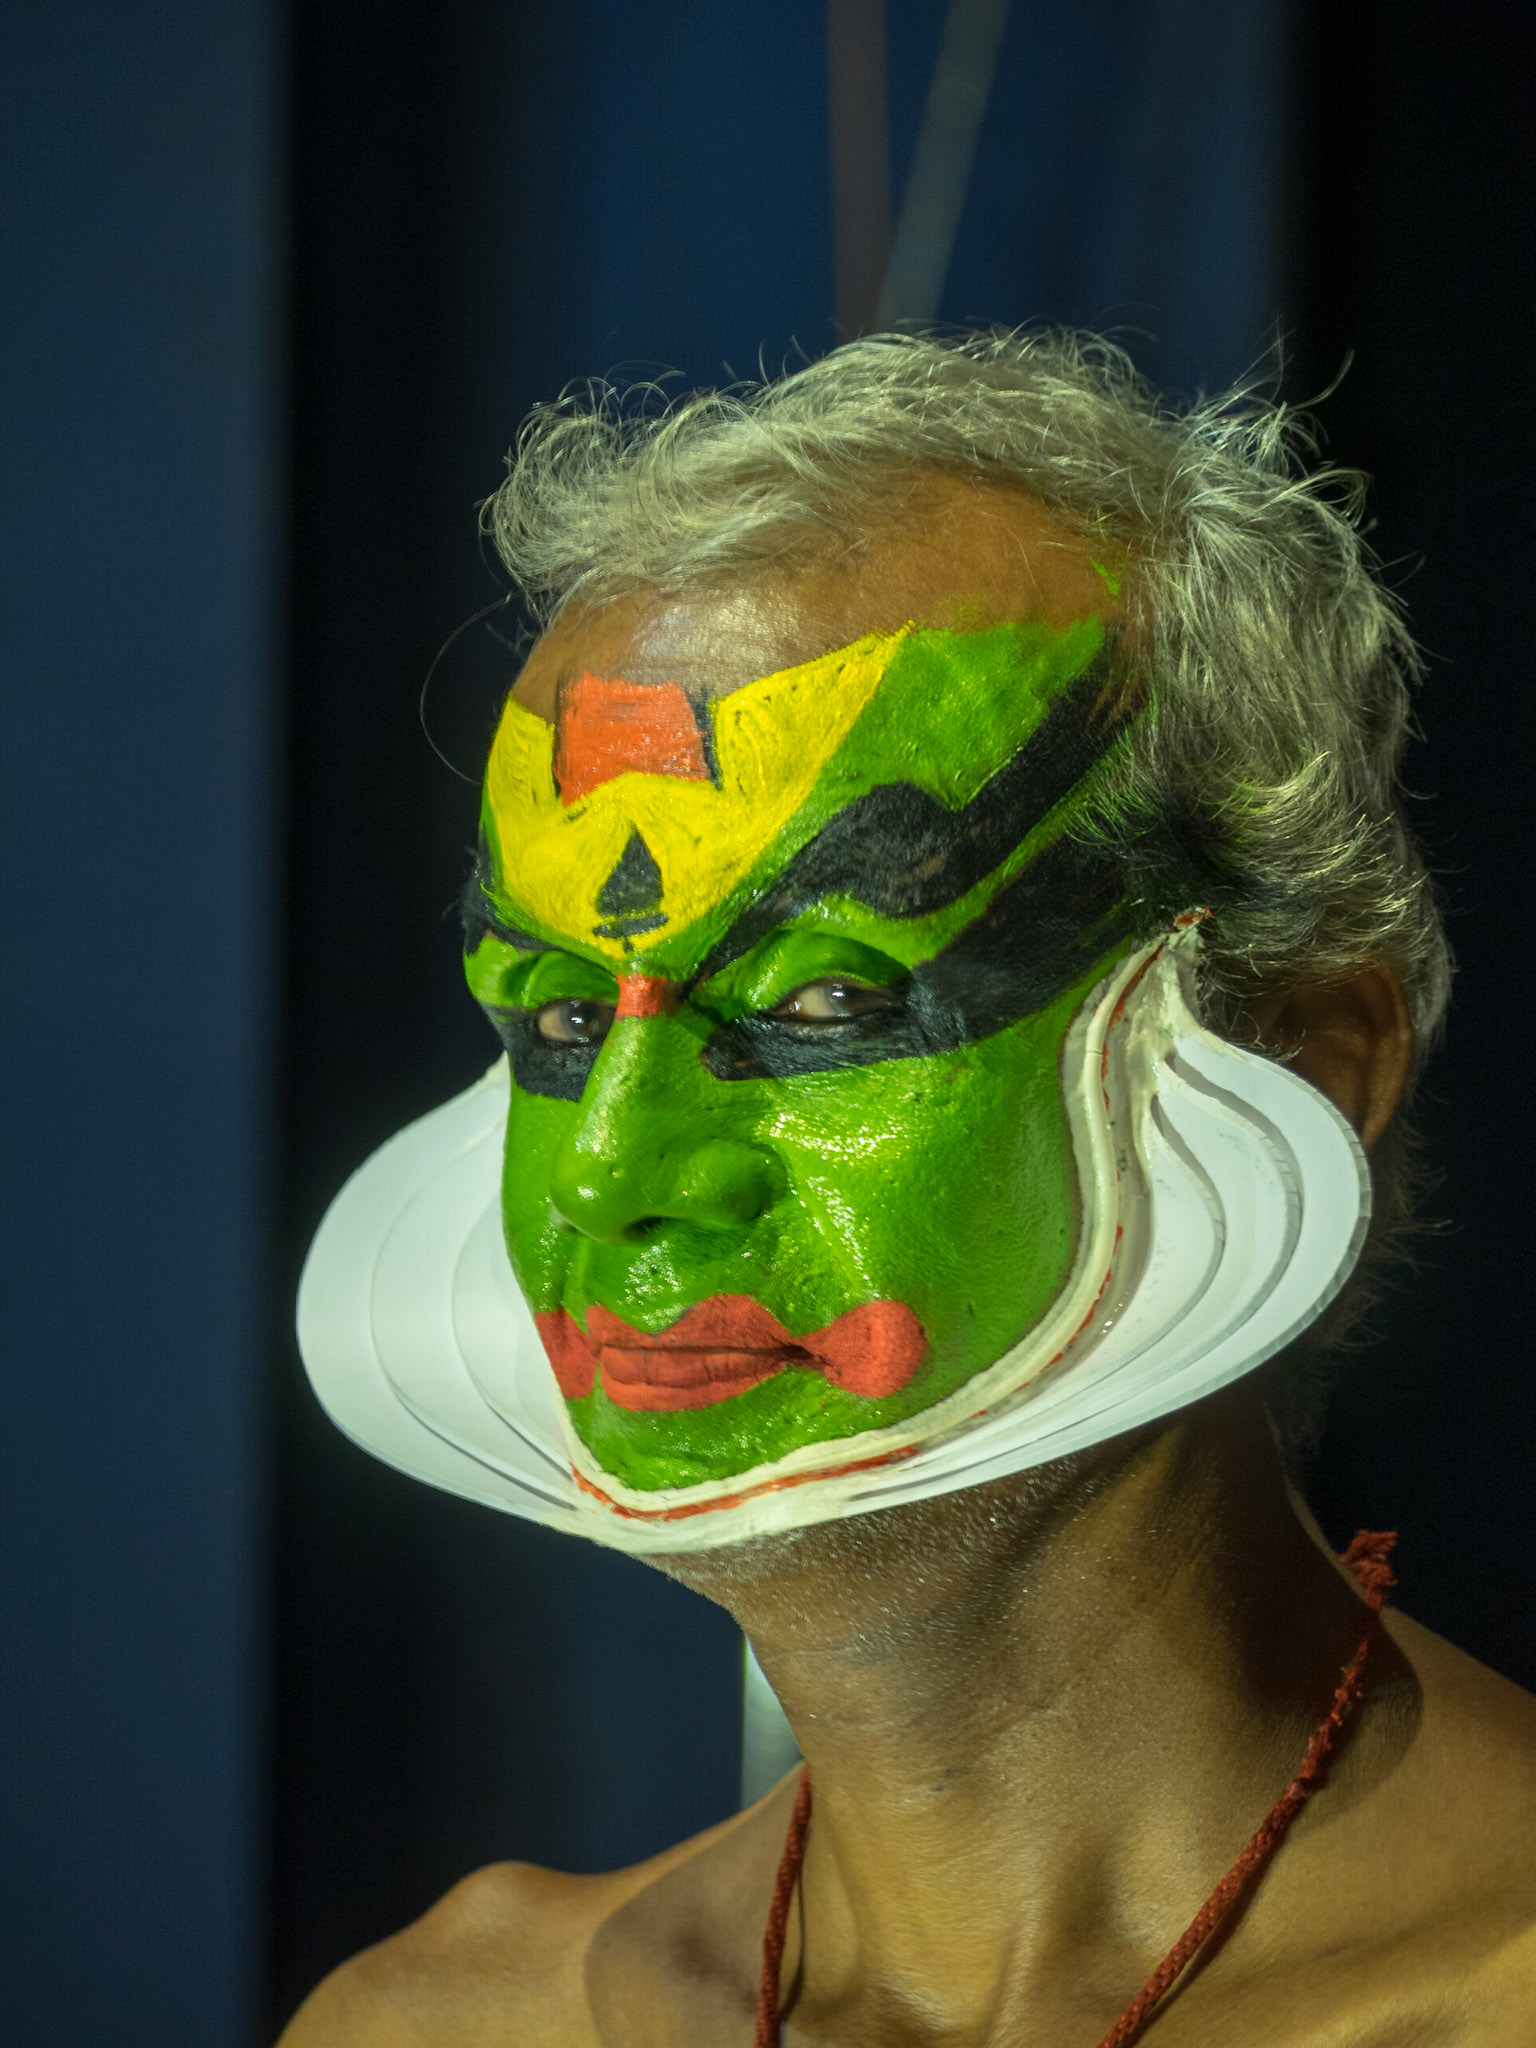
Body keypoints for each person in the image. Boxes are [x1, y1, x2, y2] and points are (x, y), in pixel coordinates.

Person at [283, 332, 1536, 2044]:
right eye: (563, 1018)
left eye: (823, 999)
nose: (613, 1175)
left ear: (1305, 1057)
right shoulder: (445, 2022)